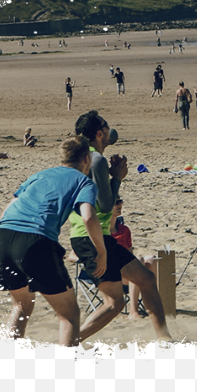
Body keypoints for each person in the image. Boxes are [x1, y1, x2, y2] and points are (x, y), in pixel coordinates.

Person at [68, 111, 173, 342]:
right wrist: (117, 177)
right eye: (106, 126)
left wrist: (112, 176)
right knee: (114, 303)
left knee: (145, 278)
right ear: (99, 133)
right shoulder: (96, 160)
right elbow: (106, 207)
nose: (109, 129)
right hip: (91, 236)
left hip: (95, 235)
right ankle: (68, 343)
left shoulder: (84, 158)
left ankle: (164, 338)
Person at [0, 136, 103, 346]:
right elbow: (88, 216)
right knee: (69, 314)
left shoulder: (39, 175)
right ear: (86, 159)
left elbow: (8, 208)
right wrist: (101, 251)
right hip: (35, 240)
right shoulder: (83, 181)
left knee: (21, 306)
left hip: (4, 236)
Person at [107, 199, 158, 320]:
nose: (119, 205)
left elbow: (130, 254)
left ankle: (152, 306)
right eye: (115, 202)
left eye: (120, 201)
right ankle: (133, 311)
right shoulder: (100, 231)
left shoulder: (124, 230)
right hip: (112, 274)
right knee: (138, 260)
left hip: (127, 272)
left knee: (151, 259)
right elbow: (73, 255)